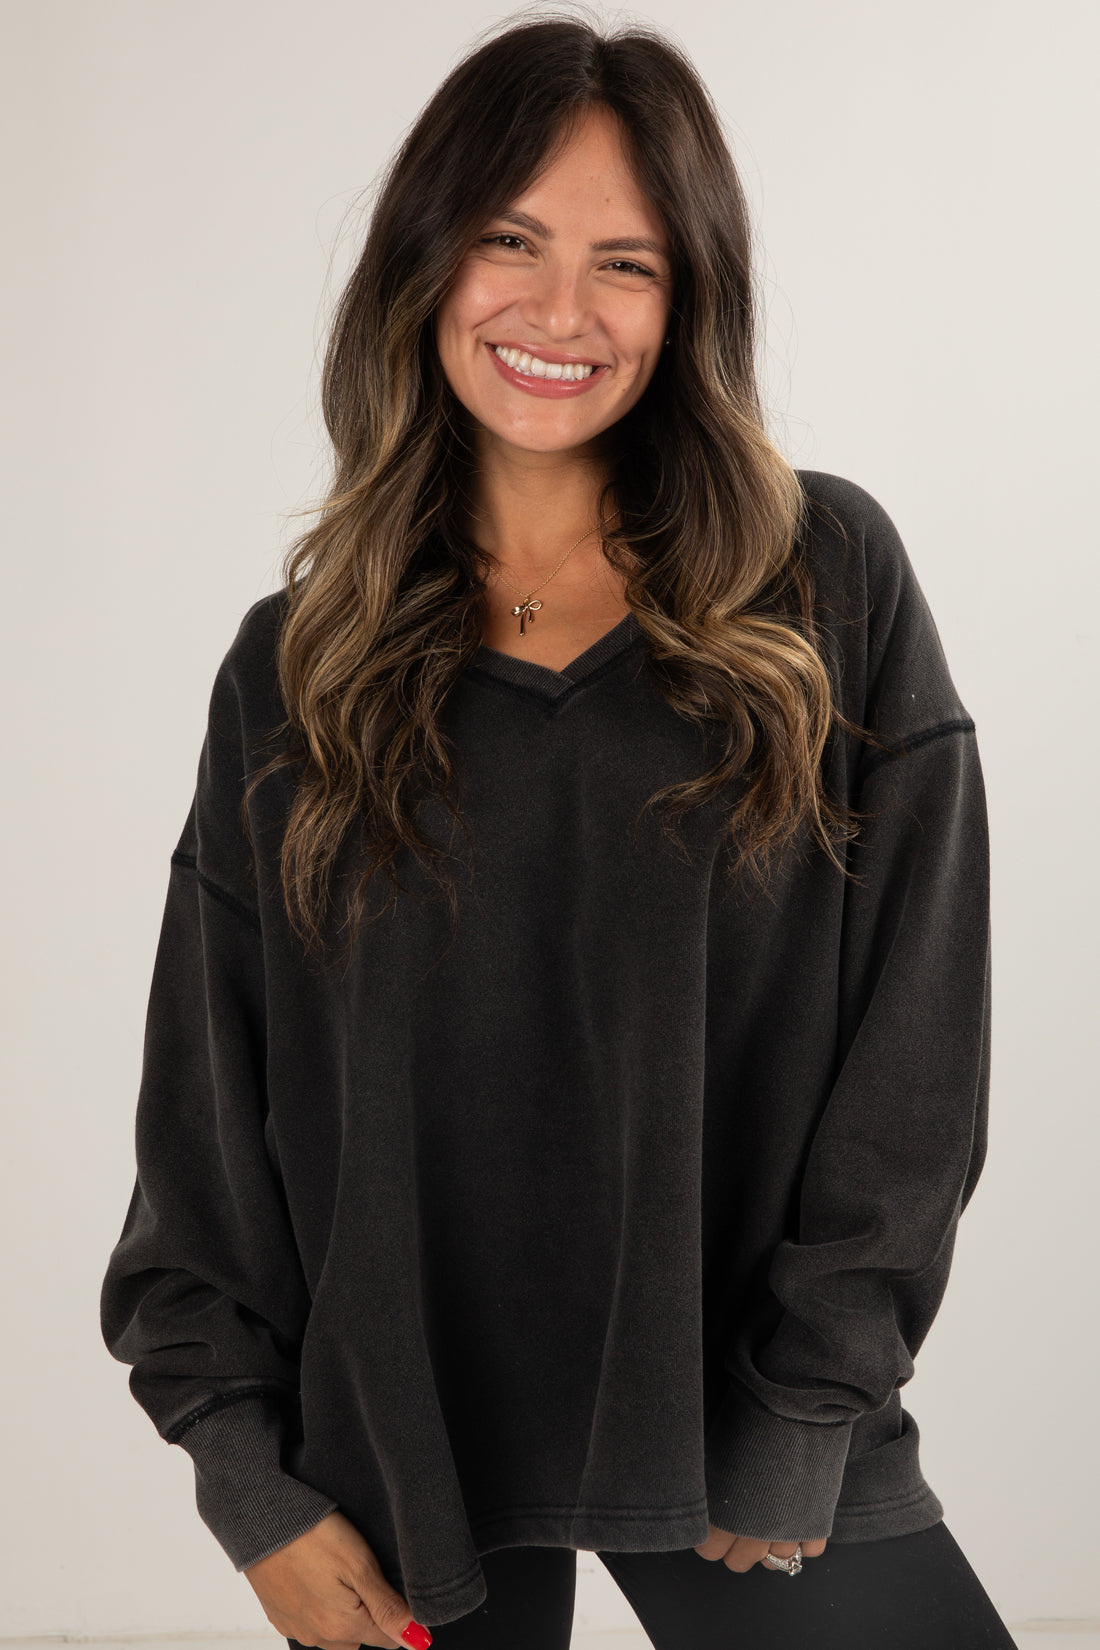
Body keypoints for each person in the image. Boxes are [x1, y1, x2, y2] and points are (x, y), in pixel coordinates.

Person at [99, 10, 1017, 1649]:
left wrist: (808, 1407)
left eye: (630, 262)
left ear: (690, 300)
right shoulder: (293, 666)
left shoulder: (824, 584)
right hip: (394, 1476)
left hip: (749, 1434)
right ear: (425, 266)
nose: (561, 312)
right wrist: (252, 1490)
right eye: (510, 242)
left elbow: (918, 1044)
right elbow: (206, 1130)